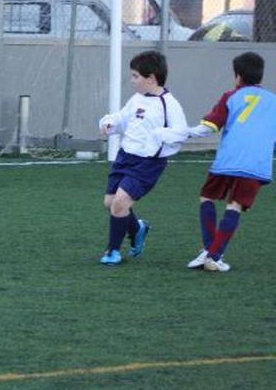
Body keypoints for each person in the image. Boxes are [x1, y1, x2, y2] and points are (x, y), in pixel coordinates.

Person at [157, 51, 276, 273]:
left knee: (207, 198)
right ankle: (213, 254)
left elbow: (209, 127)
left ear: (237, 75)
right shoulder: (273, 101)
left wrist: (182, 134)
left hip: (228, 160)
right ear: (260, 76)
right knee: (235, 206)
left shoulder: (231, 96)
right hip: (255, 165)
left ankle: (209, 252)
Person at [97, 50, 189, 266]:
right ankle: (138, 228)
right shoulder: (137, 98)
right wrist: (109, 123)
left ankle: (112, 252)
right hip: (124, 157)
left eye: (135, 76)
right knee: (110, 203)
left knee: (119, 204)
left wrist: (160, 136)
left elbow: (181, 132)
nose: (132, 81)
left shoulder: (169, 104)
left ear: (151, 78)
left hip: (148, 163)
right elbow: (122, 118)